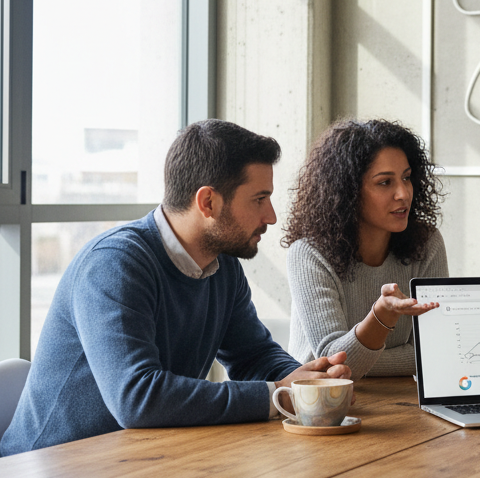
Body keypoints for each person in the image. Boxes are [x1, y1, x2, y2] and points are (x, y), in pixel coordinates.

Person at [1, 120, 351, 456]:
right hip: (49, 465)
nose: (271, 217)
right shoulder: (114, 264)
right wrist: (276, 396)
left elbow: (253, 355)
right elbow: (137, 398)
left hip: (142, 458)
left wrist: (309, 382)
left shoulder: (222, 265)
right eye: (259, 199)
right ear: (208, 202)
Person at [283, 119, 446, 380]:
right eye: (385, 183)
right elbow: (333, 363)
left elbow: (439, 349)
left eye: (406, 178)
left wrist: (361, 357)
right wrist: (381, 317)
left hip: (402, 399)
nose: (403, 193)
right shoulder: (308, 254)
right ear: (347, 191)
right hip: (321, 406)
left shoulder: (427, 244)